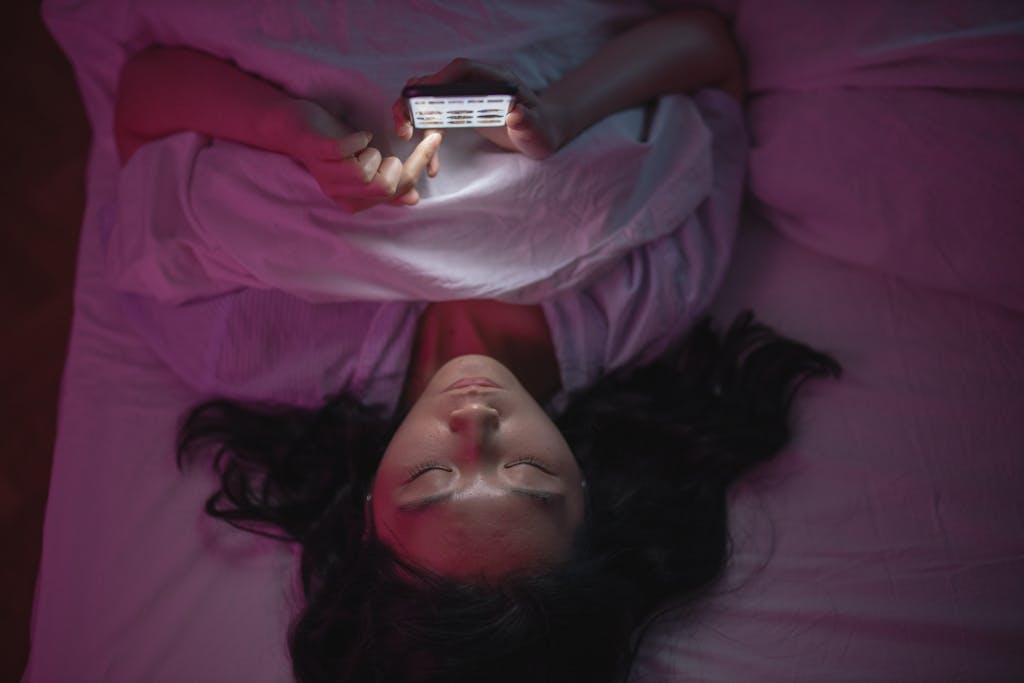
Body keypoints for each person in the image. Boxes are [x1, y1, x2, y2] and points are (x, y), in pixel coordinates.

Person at [115, 6, 840, 682]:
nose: (474, 424)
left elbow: (141, 97)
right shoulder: (647, 303)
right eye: (526, 471)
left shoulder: (246, 348)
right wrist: (559, 111)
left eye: (430, 482)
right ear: (584, 488)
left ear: (368, 511)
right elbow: (710, 53)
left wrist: (289, 131)